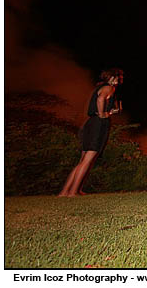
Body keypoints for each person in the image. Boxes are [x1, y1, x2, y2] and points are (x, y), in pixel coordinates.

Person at [58, 69, 122, 197]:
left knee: (83, 160)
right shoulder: (109, 88)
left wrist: (110, 112)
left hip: (91, 123)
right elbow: (101, 99)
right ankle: (72, 192)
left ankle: (65, 191)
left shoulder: (99, 87)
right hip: (98, 125)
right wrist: (103, 114)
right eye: (119, 77)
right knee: (88, 159)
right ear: (113, 78)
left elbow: (99, 100)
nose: (120, 80)